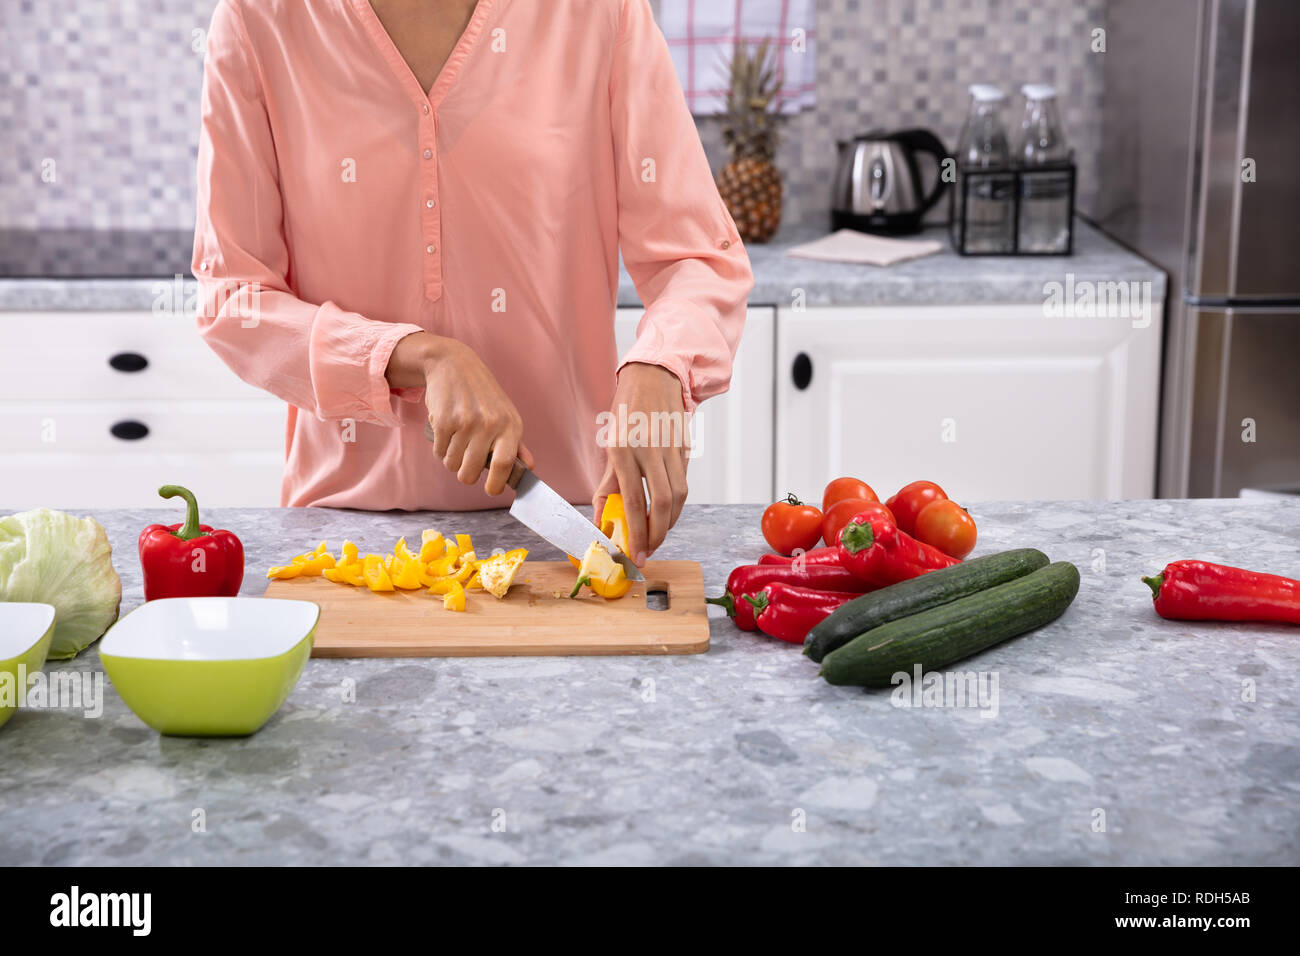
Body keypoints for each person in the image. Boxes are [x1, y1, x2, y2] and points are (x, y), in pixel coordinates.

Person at [192, 0, 752, 563]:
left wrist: (662, 364)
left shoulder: (600, 14)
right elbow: (234, 298)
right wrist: (415, 356)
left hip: (565, 535)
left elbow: (700, 256)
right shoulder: (258, 20)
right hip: (348, 542)